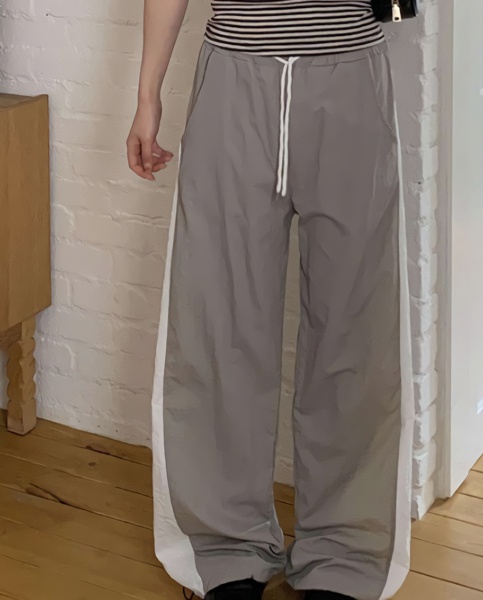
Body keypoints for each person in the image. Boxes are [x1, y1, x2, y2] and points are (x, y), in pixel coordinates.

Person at [127, 1, 414, 599]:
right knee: (217, 320)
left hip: (350, 70)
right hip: (234, 74)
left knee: (356, 327)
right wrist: (147, 94)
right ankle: (224, 546)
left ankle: (346, 553)